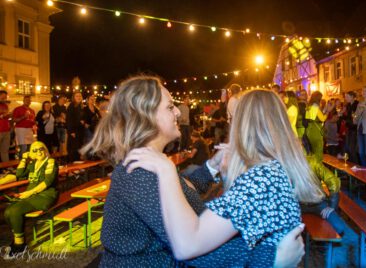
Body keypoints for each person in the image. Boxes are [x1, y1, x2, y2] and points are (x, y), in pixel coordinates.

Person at [81, 76, 305, 268]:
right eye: (170, 107)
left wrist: (211, 168)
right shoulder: (140, 171)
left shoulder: (154, 163)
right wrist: (270, 258)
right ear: (146, 115)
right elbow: (196, 249)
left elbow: (180, 192)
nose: (178, 111)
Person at [124, 87, 323, 263]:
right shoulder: (271, 171)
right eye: (170, 107)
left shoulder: (261, 178)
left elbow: (188, 245)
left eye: (231, 118)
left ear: (244, 124)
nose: (230, 126)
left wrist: (167, 171)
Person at [3, 141, 58, 255]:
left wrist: (29, 193)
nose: (38, 152)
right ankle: (17, 238)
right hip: (33, 195)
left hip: (46, 196)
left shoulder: (50, 162)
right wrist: (24, 159)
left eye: (41, 149)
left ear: (45, 150)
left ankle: (20, 245)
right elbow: (19, 174)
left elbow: (47, 182)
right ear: (31, 153)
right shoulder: (33, 164)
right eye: (35, 150)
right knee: (7, 212)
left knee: (14, 211)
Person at [302, 155, 346, 235]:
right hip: (306, 205)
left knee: (339, 228)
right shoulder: (311, 161)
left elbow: (333, 181)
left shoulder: (311, 161)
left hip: (315, 203)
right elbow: (333, 180)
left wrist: (332, 206)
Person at [305, 91, 334, 161]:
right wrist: (328, 111)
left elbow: (313, 117)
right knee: (318, 152)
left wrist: (324, 110)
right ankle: (318, 169)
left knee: (312, 152)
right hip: (316, 132)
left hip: (309, 131)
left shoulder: (308, 106)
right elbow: (322, 119)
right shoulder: (315, 107)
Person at [66, 91, 84, 162]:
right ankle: (72, 166)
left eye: (80, 96)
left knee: (78, 148)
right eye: (77, 96)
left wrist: (83, 121)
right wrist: (71, 131)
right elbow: (69, 119)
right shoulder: (71, 106)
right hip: (74, 131)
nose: (79, 97)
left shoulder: (80, 106)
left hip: (79, 130)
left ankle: (77, 164)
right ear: (73, 97)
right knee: (73, 148)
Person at [343, 91, 359, 163]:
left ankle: (355, 164)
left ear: (352, 97)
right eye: (345, 97)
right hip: (349, 128)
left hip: (355, 129)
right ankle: (351, 163)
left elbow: (355, 118)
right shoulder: (348, 105)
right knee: (348, 148)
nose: (346, 98)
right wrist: (342, 115)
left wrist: (348, 120)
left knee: (353, 148)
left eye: (347, 96)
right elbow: (347, 117)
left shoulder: (357, 104)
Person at [0, 90, 11, 162]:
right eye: (3, 98)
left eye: (5, 98)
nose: (5, 99)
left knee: (5, 150)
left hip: (6, 130)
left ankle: (6, 167)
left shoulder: (5, 105)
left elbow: (6, 117)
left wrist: (9, 115)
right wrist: (2, 115)